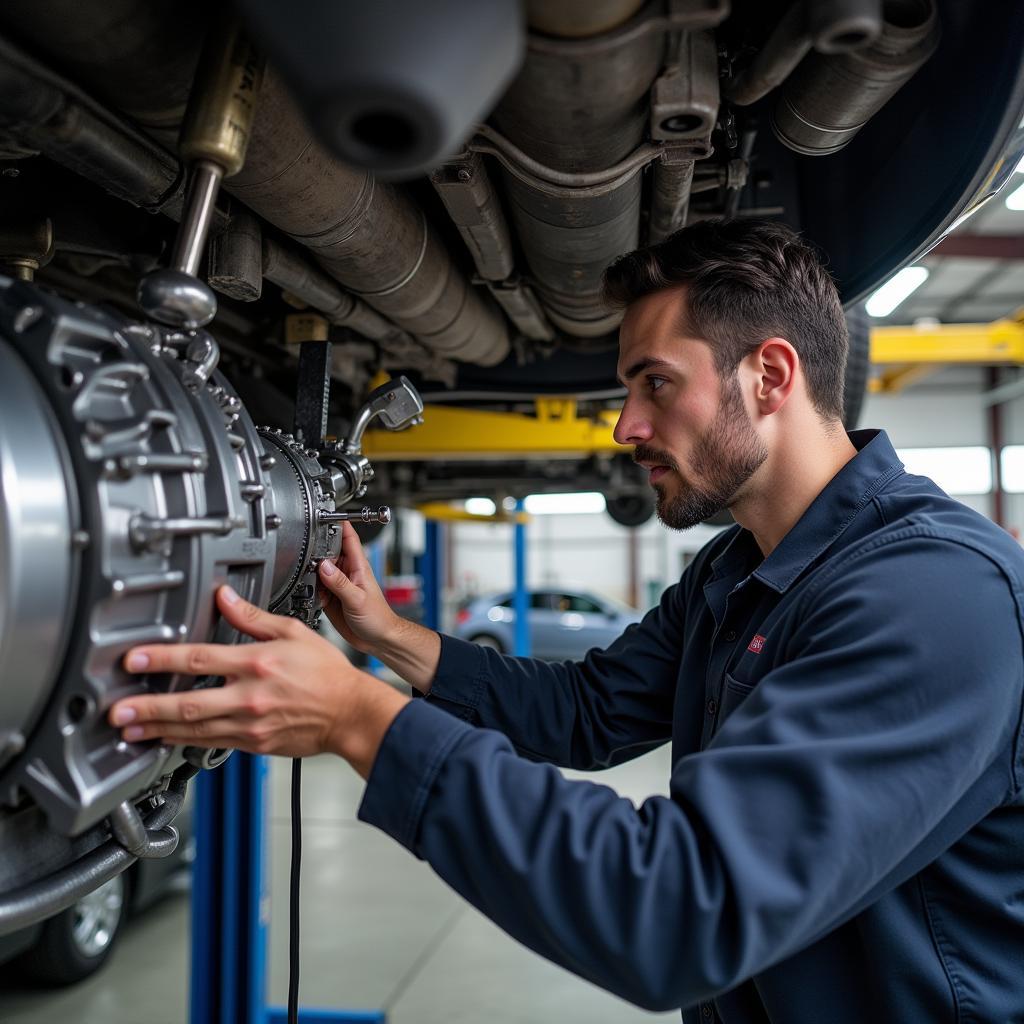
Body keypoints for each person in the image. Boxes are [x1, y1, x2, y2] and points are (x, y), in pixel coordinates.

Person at [109, 220, 1024, 1023]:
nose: (625, 427)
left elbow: (678, 910)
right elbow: (590, 711)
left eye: (654, 384)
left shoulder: (937, 595)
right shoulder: (735, 568)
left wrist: (361, 720)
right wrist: (385, 639)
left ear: (771, 375)